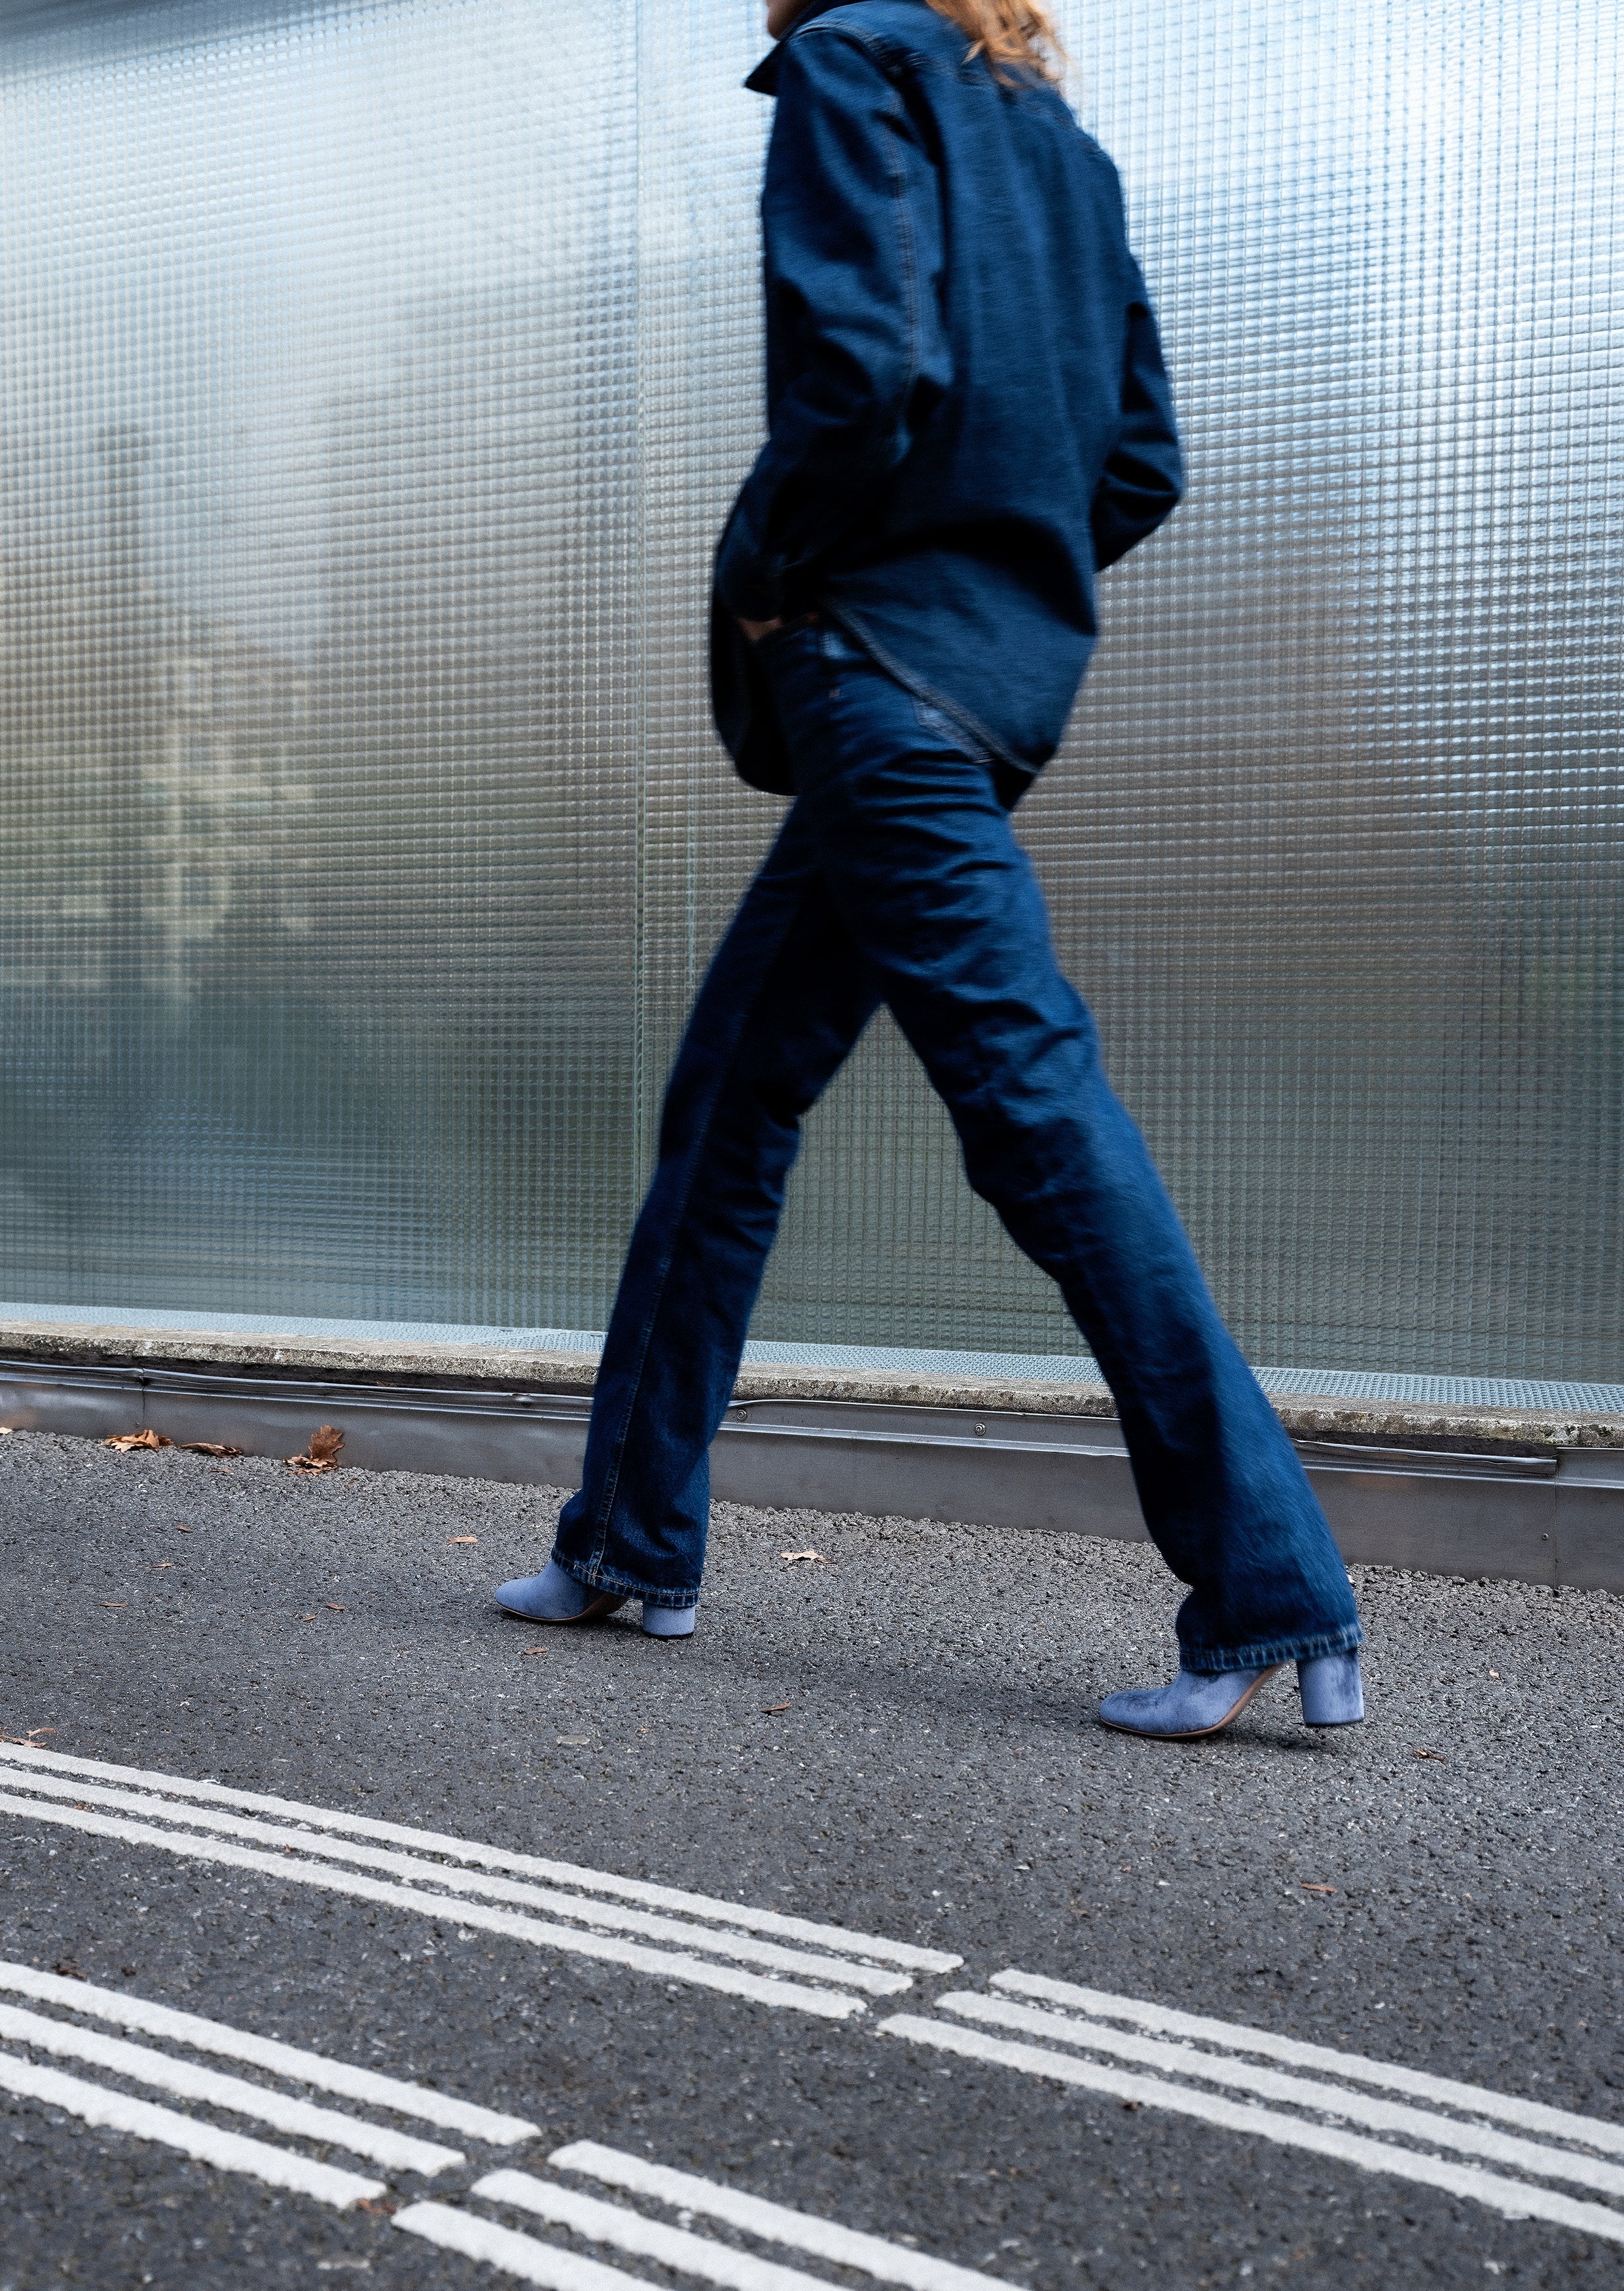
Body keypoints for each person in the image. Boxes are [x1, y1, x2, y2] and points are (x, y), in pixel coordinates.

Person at [496, 0, 1364, 1739]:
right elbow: (1141, 455)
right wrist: (1000, 575)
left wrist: (770, 576)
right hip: (973, 690)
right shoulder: (1062, 143)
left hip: (870, 672)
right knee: (731, 1099)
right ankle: (630, 1541)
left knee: (1033, 1106)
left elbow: (868, 366)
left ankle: (1274, 1589)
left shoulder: (851, 62)